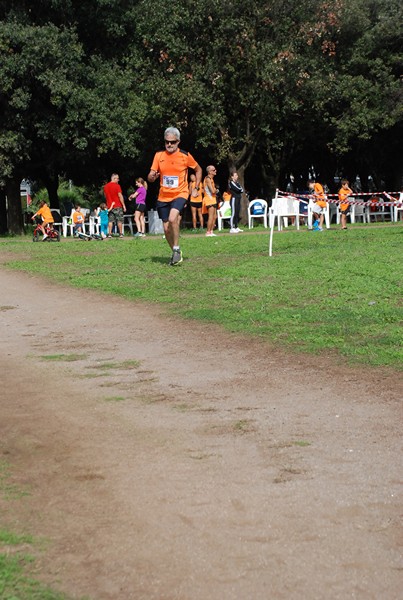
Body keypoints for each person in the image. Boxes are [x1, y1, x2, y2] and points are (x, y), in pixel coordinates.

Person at [148, 127, 202, 265]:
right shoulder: (158, 156)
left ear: (178, 142)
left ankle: (176, 248)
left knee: (173, 218)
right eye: (167, 142)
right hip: (163, 196)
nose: (169, 145)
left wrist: (196, 187)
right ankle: (175, 252)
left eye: (172, 142)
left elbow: (198, 169)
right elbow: (150, 176)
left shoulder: (185, 156)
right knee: (166, 229)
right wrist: (152, 177)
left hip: (180, 192)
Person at [103, 173, 126, 238]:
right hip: (117, 205)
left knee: (110, 220)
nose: (118, 180)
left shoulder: (105, 186)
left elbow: (105, 196)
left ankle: (109, 233)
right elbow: (120, 196)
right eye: (117, 178)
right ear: (114, 178)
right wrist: (123, 205)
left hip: (109, 206)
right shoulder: (117, 186)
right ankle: (121, 233)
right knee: (119, 220)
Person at [204, 165, 218, 237]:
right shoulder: (208, 179)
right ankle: (208, 232)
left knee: (214, 216)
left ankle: (211, 231)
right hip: (209, 199)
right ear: (209, 172)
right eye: (214, 170)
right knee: (211, 216)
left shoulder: (212, 179)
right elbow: (212, 190)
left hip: (213, 199)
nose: (215, 171)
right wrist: (216, 190)